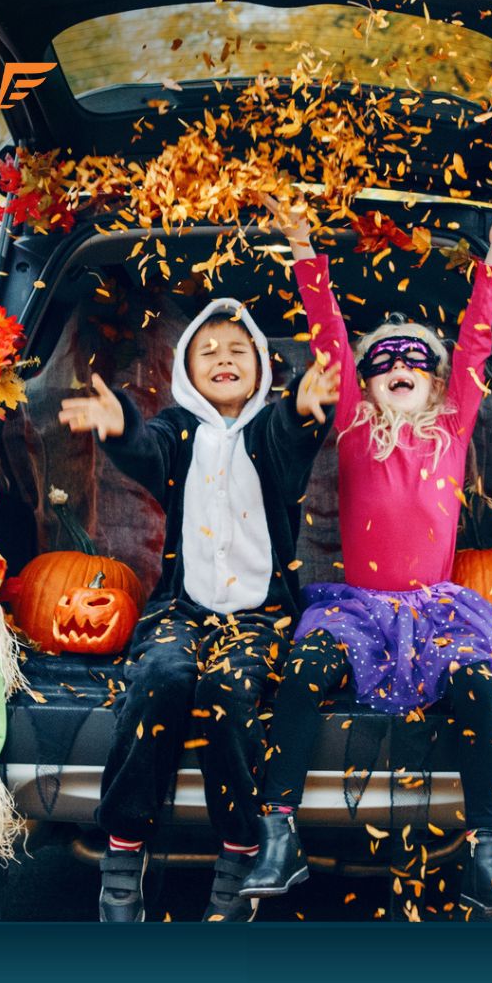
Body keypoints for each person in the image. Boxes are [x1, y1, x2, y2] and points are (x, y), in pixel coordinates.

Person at [242, 194, 492, 918]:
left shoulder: (453, 428)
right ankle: (277, 836)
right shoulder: (352, 425)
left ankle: (488, 856)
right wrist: (306, 250)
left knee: (472, 680)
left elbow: (475, 343)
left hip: (436, 606)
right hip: (359, 609)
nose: (398, 367)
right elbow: (332, 338)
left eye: (415, 361)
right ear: (368, 383)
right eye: (384, 363)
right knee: (306, 669)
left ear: (436, 383)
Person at [59, 297, 338, 922]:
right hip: (184, 609)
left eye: (238, 351)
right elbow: (148, 454)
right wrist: (123, 426)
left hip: (259, 616)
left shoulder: (270, 428)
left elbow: (293, 434)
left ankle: (239, 855)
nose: (223, 360)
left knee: (232, 692)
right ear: (186, 370)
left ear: (263, 367)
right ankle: (124, 851)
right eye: (207, 352)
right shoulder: (178, 429)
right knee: (159, 677)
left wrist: (299, 407)